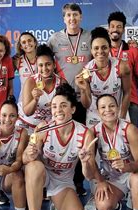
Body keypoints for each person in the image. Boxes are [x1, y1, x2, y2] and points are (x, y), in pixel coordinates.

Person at [22, 83, 95, 210]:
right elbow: (25, 159)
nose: (58, 110)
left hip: (62, 182)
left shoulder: (85, 134)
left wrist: (85, 162)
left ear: (73, 109)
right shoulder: (42, 128)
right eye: (54, 106)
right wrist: (30, 153)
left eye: (63, 105)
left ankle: (57, 202)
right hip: (43, 176)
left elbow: (89, 175)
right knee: (34, 167)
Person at [75, 27, 131, 210]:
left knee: (126, 151)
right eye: (96, 48)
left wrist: (121, 118)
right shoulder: (86, 71)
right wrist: (83, 89)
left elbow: (128, 92)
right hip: (95, 116)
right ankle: (95, 190)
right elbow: (87, 103)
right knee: (94, 155)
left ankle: (128, 188)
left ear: (110, 48)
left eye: (104, 47)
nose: (100, 52)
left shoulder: (121, 66)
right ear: (91, 50)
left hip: (118, 113)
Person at [85, 94, 138, 210]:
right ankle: (115, 208)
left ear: (118, 107)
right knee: (103, 206)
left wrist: (126, 166)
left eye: (111, 106)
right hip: (113, 178)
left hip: (133, 173)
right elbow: (91, 163)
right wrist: (100, 181)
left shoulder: (129, 129)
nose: (108, 110)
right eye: (103, 107)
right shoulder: (93, 132)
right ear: (98, 111)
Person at [47, 3, 92, 195]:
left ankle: (79, 182)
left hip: (84, 94)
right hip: (64, 97)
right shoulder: (55, 39)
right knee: (61, 139)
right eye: (68, 16)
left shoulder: (90, 37)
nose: (72, 19)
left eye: (75, 15)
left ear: (80, 17)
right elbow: (43, 60)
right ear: (63, 19)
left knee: (80, 141)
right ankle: (55, 180)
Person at [17, 44, 66, 134]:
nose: (44, 69)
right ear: (37, 66)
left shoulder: (62, 83)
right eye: (41, 65)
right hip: (26, 123)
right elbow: (27, 112)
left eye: (48, 64)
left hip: (47, 125)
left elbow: (65, 110)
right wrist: (35, 100)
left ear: (54, 65)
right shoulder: (31, 82)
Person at [107, 11, 138, 127]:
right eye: (112, 26)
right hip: (108, 102)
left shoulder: (133, 51)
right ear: (108, 28)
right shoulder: (102, 51)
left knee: (131, 137)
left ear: (123, 29)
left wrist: (127, 85)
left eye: (119, 27)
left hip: (131, 101)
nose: (115, 29)